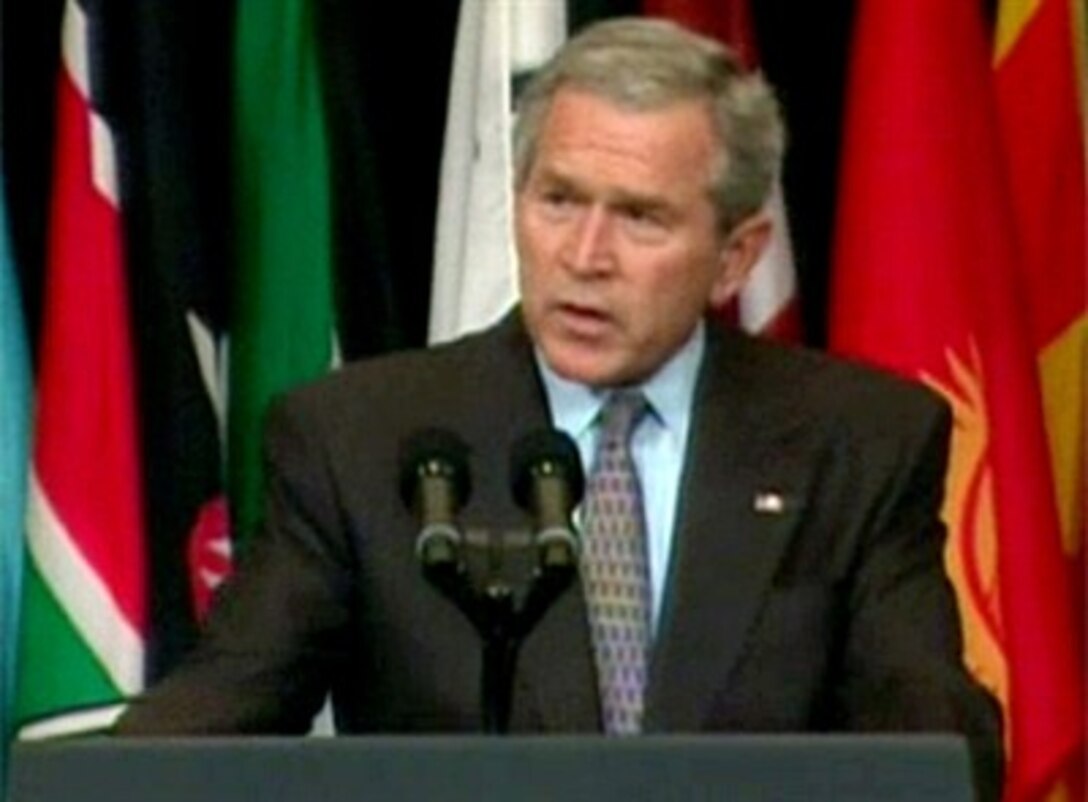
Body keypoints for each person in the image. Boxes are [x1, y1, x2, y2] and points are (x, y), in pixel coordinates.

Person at [117, 16, 1002, 800]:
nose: (586, 254)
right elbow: (208, 724)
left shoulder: (856, 442)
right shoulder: (360, 441)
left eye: (641, 218)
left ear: (735, 258)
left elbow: (930, 745)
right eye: (559, 200)